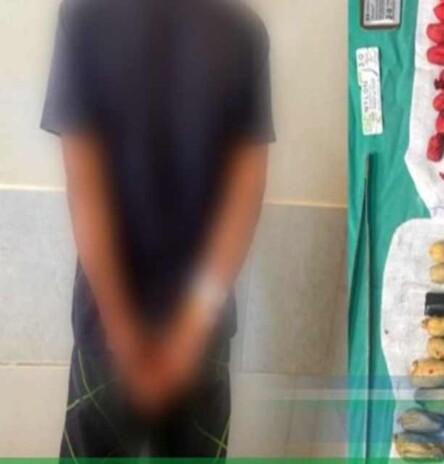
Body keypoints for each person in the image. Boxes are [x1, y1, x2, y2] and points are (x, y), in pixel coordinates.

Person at [41, 0, 273, 457]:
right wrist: (188, 334)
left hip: (110, 323)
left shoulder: (85, 16)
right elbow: (245, 194)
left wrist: (123, 332)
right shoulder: (244, 31)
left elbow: (83, 182)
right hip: (190, 326)